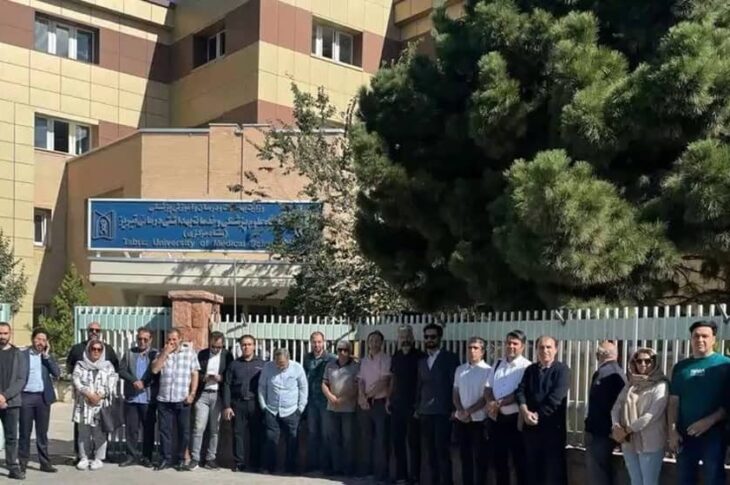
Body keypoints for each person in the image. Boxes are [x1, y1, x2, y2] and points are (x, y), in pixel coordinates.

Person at [668, 320, 730, 485]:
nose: (700, 340)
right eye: (696, 336)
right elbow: (673, 401)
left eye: (705, 336)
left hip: (715, 434)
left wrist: (709, 421)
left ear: (714, 339)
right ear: (691, 339)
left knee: (713, 478)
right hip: (685, 434)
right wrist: (672, 431)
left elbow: (728, 402)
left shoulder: (725, 365)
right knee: (684, 478)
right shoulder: (681, 368)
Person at [516, 335, 570, 485]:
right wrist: (524, 411)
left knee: (552, 473)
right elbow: (520, 392)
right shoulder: (530, 370)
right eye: (541, 347)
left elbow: (555, 398)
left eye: (548, 347)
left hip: (552, 430)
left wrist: (537, 415)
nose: (545, 350)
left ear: (556, 349)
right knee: (533, 471)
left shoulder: (562, 370)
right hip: (530, 430)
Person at [611, 348, 669, 485]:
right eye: (639, 361)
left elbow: (652, 415)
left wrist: (628, 429)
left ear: (654, 362)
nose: (643, 364)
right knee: (635, 481)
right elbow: (616, 407)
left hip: (651, 442)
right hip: (629, 442)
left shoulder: (661, 385)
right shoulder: (631, 385)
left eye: (648, 361)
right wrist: (616, 425)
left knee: (649, 482)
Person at [66, 321, 118, 462]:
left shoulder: (108, 350)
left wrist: (100, 395)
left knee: (100, 431)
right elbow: (71, 370)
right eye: (91, 329)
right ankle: (81, 456)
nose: (94, 332)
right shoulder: (77, 349)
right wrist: (86, 393)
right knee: (82, 431)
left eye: (97, 330)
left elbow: (115, 373)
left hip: (100, 401)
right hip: (83, 400)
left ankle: (99, 458)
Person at [485, 329, 531, 485]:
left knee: (520, 462)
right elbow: (488, 388)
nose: (511, 346)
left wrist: (501, 403)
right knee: (499, 461)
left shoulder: (526, 367)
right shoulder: (498, 363)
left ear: (522, 346)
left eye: (515, 343)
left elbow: (521, 392)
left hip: (515, 420)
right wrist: (491, 402)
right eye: (509, 343)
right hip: (497, 419)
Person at [417, 323, 460, 485]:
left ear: (440, 338)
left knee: (442, 451)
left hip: (443, 411)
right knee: (430, 452)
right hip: (425, 411)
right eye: (426, 337)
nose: (429, 339)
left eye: (433, 337)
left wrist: (454, 409)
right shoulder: (422, 360)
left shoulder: (450, 358)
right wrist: (417, 407)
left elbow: (455, 385)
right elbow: (419, 385)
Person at [150, 329, 199, 471]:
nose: (171, 342)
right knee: (165, 431)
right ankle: (166, 458)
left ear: (180, 339)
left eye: (174, 339)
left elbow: (195, 374)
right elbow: (155, 370)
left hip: (182, 399)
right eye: (169, 340)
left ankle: (181, 459)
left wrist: (192, 394)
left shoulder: (190, 353)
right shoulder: (162, 353)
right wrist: (165, 353)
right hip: (165, 399)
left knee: (184, 431)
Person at [258, 348, 308, 474]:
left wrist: (300, 408)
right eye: (278, 363)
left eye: (283, 364)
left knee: (292, 440)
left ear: (288, 359)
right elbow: (262, 387)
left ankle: (291, 468)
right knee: (271, 439)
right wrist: (263, 406)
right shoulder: (267, 368)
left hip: (291, 410)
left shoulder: (297, 368)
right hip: (272, 410)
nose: (280, 366)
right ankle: (269, 467)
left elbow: (303, 388)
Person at [19, 327, 60, 474]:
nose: (40, 342)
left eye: (43, 340)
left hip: (43, 398)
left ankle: (45, 463)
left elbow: (57, 373)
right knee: (25, 432)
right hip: (26, 397)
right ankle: (22, 464)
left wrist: (47, 357)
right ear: (32, 339)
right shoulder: (22, 355)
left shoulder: (47, 357)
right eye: (38, 339)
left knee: (42, 433)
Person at [585, 341, 626, 485]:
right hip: (610, 432)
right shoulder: (619, 372)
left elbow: (600, 405)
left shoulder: (604, 373)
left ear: (599, 355)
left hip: (600, 433)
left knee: (598, 473)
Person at [388, 325, 425, 485]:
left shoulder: (420, 357)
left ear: (413, 338)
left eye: (408, 336)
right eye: (402, 337)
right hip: (397, 405)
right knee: (398, 442)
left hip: (414, 406)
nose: (405, 340)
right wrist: (389, 398)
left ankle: (415, 477)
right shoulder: (396, 356)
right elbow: (393, 378)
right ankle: (401, 476)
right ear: (398, 339)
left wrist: (419, 405)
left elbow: (423, 383)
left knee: (414, 443)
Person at [189, 331, 231, 470]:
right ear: (209, 343)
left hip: (217, 395)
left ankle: (210, 458)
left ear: (223, 345)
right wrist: (204, 377)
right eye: (213, 346)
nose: (216, 349)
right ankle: (195, 458)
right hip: (203, 394)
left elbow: (230, 375)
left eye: (219, 347)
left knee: (215, 429)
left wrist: (221, 378)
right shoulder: (202, 354)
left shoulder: (227, 355)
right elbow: (195, 372)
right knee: (199, 427)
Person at [223, 334, 264, 472]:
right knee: (238, 434)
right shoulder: (234, 365)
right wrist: (227, 406)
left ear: (254, 346)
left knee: (256, 434)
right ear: (240, 347)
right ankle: (239, 462)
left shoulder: (262, 364)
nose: (246, 347)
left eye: (249, 344)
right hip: (238, 404)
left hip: (255, 404)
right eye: (244, 345)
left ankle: (255, 463)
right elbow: (227, 385)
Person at [118, 327, 158, 468]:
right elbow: (121, 370)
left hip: (148, 398)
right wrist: (133, 380)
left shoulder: (155, 354)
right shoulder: (129, 353)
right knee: (131, 430)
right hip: (132, 398)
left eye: (145, 339)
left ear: (150, 340)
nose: (142, 342)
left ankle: (147, 457)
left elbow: (156, 373)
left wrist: (144, 383)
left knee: (148, 430)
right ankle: (131, 456)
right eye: (140, 339)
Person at [453, 337, 491, 485]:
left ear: (482, 351)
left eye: (475, 348)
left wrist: (469, 412)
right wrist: (461, 411)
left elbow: (486, 397)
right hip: (462, 420)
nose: (472, 351)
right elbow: (455, 393)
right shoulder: (460, 370)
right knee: (465, 457)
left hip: (479, 420)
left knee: (480, 459)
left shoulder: (488, 370)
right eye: (469, 348)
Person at [357, 330, 391, 483]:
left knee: (381, 440)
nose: (374, 343)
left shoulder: (385, 359)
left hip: (379, 403)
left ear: (381, 343)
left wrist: (368, 396)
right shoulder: (364, 360)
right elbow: (361, 380)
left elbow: (384, 381)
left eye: (377, 340)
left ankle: (381, 473)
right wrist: (361, 396)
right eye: (371, 340)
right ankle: (367, 470)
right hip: (365, 404)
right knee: (366, 437)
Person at [322, 340, 359, 476]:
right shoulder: (330, 365)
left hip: (348, 408)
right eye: (340, 350)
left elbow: (357, 386)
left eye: (345, 350)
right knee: (333, 439)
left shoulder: (356, 366)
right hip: (332, 407)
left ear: (350, 351)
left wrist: (343, 399)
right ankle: (335, 467)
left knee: (348, 440)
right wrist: (330, 397)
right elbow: (324, 383)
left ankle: (348, 469)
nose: (342, 352)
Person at [0, 322, 29, 480]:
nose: (2, 336)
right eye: (0, 333)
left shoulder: (18, 354)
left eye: (5, 333)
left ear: (10, 334)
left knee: (11, 437)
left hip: (11, 402)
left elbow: (21, 379)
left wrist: (4, 396)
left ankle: (12, 466)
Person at [303, 331, 334, 474]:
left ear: (324, 342)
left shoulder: (331, 359)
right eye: (314, 342)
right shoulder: (307, 358)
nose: (317, 345)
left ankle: (326, 466)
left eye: (319, 342)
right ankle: (312, 464)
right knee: (312, 433)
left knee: (326, 434)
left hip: (325, 401)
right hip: (311, 401)